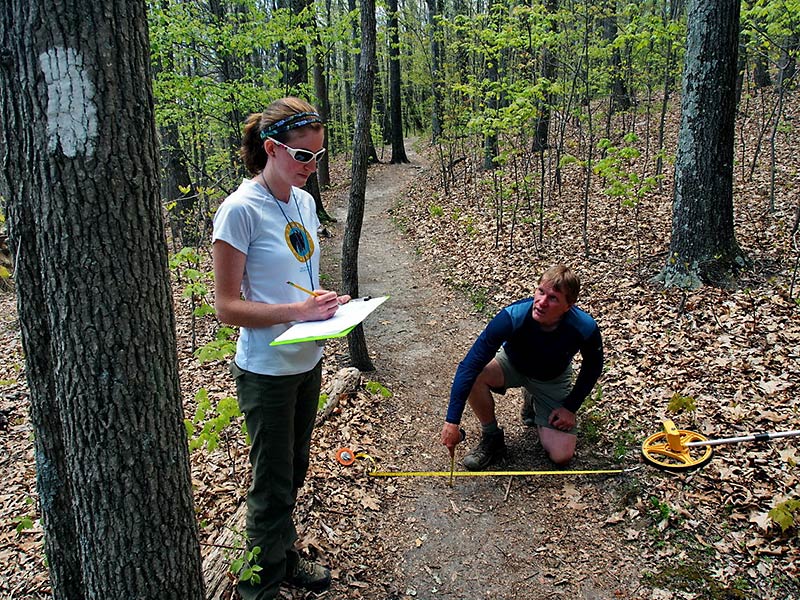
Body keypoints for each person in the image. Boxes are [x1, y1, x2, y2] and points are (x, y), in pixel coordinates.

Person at [213, 97, 349, 600]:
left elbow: (297, 280)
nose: (314, 167)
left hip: (308, 358)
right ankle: (258, 588)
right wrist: (297, 313)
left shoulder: (304, 201)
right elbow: (228, 307)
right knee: (270, 486)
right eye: (304, 157)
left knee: (293, 470)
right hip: (267, 369)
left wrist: (326, 302)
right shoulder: (239, 210)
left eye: (319, 154)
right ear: (272, 149)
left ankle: (283, 559)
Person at [440, 265, 603, 470]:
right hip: (512, 364)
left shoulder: (584, 327)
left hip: (551, 378)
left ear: (568, 305)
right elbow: (469, 365)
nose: (541, 302)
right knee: (476, 374)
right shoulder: (512, 316)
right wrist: (452, 421)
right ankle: (492, 438)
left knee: (562, 456)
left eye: (553, 298)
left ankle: (534, 400)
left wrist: (570, 407)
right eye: (540, 291)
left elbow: (593, 366)